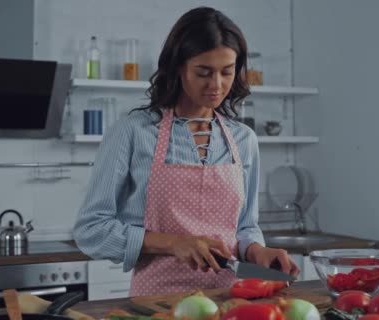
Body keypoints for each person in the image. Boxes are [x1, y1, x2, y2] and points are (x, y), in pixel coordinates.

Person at [73, 6, 300, 296]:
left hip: (229, 300)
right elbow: (91, 230)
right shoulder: (133, 132)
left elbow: (244, 227)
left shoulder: (244, 140)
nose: (216, 85)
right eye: (204, 73)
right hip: (156, 302)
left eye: (226, 72)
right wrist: (172, 243)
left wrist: (257, 251)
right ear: (178, 67)